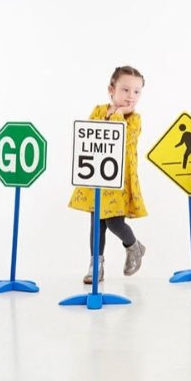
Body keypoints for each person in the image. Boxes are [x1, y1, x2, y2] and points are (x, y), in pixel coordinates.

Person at [69, 66, 148, 284]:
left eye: (136, 92)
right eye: (125, 90)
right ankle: (96, 265)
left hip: (118, 182)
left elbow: (121, 139)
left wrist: (118, 116)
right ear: (111, 90)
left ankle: (133, 245)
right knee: (97, 225)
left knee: (114, 222)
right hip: (97, 177)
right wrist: (110, 114)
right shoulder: (98, 111)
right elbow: (91, 135)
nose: (130, 96)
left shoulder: (134, 120)